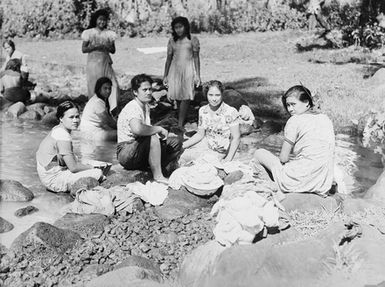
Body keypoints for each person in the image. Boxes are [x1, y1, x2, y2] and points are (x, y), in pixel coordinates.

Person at [253, 85, 335, 195]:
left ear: (306, 102)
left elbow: (283, 158)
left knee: (259, 153)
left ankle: (270, 191)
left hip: (298, 181)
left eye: (293, 104)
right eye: (288, 105)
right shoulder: (325, 119)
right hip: (322, 183)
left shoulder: (295, 120)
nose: (290, 109)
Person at [117, 74, 182, 183]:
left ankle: (159, 167)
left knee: (175, 141)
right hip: (126, 151)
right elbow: (137, 129)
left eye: (150, 89)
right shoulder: (133, 107)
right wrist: (158, 129)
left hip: (140, 149)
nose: (148, 92)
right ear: (135, 92)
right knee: (153, 136)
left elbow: (146, 130)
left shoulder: (146, 106)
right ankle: (158, 176)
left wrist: (165, 135)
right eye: (145, 90)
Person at [36, 101, 105, 193]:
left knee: (80, 160)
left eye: (77, 117)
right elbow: (73, 168)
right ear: (61, 118)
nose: (75, 120)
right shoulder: (62, 135)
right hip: (54, 180)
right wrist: (91, 167)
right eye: (71, 117)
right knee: (98, 173)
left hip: (48, 175)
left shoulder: (57, 129)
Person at [180, 80, 241, 164]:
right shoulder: (203, 110)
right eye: (211, 95)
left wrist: (228, 159)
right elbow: (200, 134)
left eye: (217, 95)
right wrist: (182, 145)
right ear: (206, 95)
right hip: (204, 146)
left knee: (200, 164)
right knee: (181, 157)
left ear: (222, 95)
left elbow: (236, 137)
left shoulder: (230, 112)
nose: (214, 99)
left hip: (219, 151)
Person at [163, 16, 201, 128]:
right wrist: (165, 75)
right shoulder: (172, 41)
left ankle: (180, 124)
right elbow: (168, 58)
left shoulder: (193, 40)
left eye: (180, 27)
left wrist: (198, 75)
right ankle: (180, 118)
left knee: (186, 97)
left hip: (188, 70)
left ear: (186, 26)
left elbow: (196, 58)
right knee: (177, 96)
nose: (178, 30)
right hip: (174, 71)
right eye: (176, 27)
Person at [81, 8, 119, 116]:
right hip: (93, 64)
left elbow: (113, 50)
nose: (102, 22)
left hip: (105, 62)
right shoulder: (89, 33)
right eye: (100, 20)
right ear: (95, 20)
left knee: (113, 85)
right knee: (94, 86)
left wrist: (106, 46)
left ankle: (112, 108)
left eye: (104, 20)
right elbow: (83, 49)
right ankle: (95, 110)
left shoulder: (109, 34)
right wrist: (94, 46)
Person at [79, 77, 117, 141]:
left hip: (92, 131)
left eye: (109, 88)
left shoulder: (99, 99)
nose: (108, 91)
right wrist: (121, 127)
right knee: (120, 134)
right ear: (99, 89)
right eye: (105, 88)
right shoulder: (98, 101)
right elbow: (108, 121)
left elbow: (105, 124)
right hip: (90, 133)